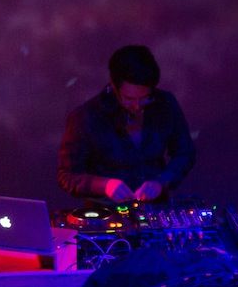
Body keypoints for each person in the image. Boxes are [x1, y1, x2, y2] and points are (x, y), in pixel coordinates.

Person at [57, 45, 196, 205]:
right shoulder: (85, 116)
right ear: (113, 86)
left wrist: (161, 181)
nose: (137, 106)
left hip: (154, 208)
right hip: (106, 211)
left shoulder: (165, 104)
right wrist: (105, 186)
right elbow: (67, 176)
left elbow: (185, 153)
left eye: (145, 98)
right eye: (129, 99)